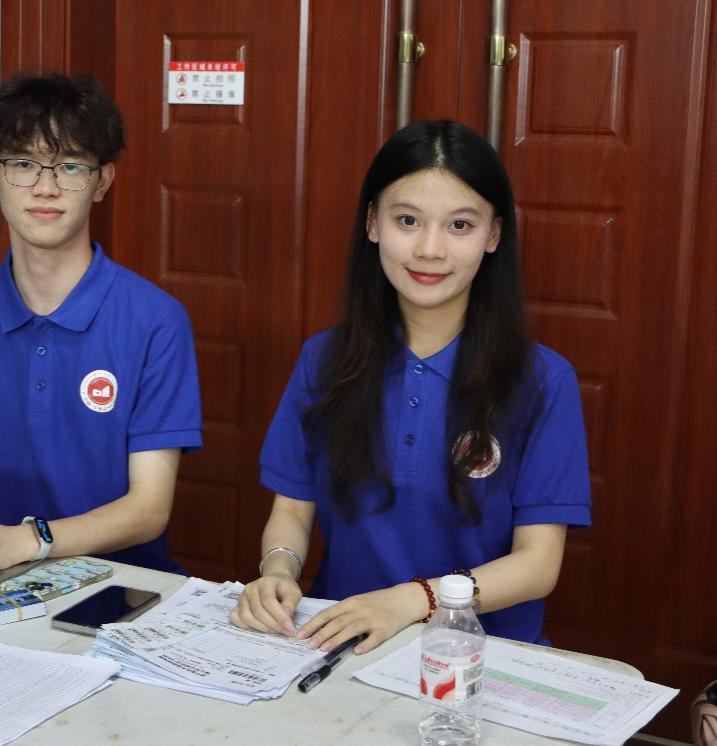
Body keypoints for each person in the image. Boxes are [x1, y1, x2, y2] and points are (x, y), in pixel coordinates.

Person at [229, 119, 590, 654]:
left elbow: (538, 565)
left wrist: (409, 602)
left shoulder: (543, 380)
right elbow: (292, 509)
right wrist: (278, 570)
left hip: (480, 654)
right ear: (372, 223)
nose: (429, 249)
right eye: (407, 220)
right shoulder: (323, 360)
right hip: (342, 642)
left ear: (494, 236)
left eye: (460, 225)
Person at [0, 72, 201, 575]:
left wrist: (26, 540)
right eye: (22, 164)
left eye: (70, 166)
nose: (45, 187)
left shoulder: (156, 320)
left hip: (117, 587)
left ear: (102, 181)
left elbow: (148, 509)